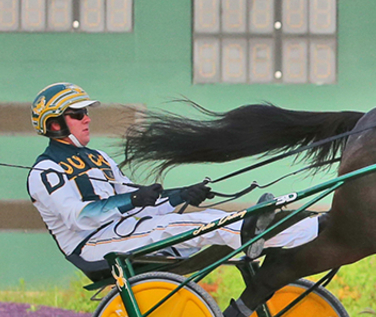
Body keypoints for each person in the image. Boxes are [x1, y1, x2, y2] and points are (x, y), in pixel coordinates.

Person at [26, 82, 319, 286]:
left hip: (124, 231)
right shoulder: (45, 171)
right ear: (54, 124)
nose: (87, 119)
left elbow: (131, 197)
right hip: (93, 246)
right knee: (177, 227)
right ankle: (304, 235)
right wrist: (134, 201)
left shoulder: (98, 158)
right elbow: (80, 218)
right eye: (78, 114)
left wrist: (179, 195)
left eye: (86, 112)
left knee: (203, 219)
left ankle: (296, 232)